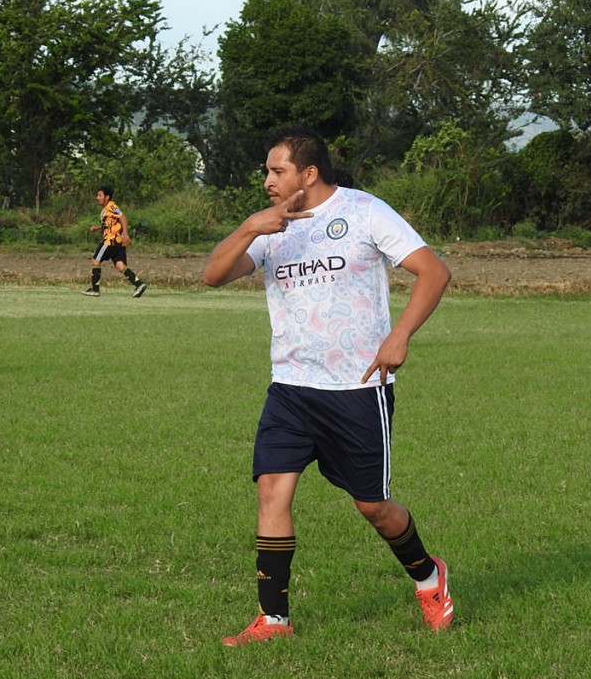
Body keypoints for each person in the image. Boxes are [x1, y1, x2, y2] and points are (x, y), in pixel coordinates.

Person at [202, 125, 453, 646]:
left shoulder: (364, 211)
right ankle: (274, 620)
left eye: (277, 170)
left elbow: (433, 272)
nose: (267, 180)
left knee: (374, 508)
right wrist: (250, 227)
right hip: (290, 386)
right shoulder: (270, 226)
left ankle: (429, 577)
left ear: (309, 173)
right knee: (272, 490)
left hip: (356, 389)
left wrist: (399, 335)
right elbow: (213, 275)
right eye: (267, 171)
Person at [81, 185, 146, 297]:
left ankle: (95, 289)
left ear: (107, 197)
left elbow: (123, 218)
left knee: (95, 261)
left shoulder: (111, 206)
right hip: (119, 242)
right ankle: (139, 284)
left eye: (100, 195)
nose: (97, 198)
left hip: (111, 240)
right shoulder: (105, 210)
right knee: (120, 265)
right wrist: (97, 228)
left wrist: (126, 233)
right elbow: (110, 224)